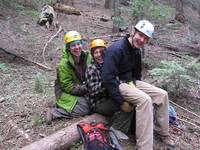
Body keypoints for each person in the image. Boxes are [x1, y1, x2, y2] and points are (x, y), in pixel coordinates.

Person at [102, 20, 175, 149]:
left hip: (131, 82)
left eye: (145, 38)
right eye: (140, 35)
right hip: (117, 83)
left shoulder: (136, 51)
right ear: (133, 32)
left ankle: (162, 133)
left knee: (162, 95)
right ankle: (144, 146)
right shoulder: (117, 49)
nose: (141, 40)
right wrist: (121, 101)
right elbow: (107, 78)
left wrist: (138, 88)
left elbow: (137, 74)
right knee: (145, 100)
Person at [46, 31, 91, 124]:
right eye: (73, 45)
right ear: (68, 48)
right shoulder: (64, 64)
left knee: (93, 103)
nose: (77, 47)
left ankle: (65, 106)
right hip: (65, 93)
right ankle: (55, 112)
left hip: (82, 89)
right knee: (86, 108)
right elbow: (67, 86)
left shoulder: (87, 56)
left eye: (78, 44)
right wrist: (86, 88)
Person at [85, 39, 120, 116]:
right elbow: (92, 90)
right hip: (98, 102)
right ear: (93, 55)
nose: (99, 55)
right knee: (121, 105)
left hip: (110, 97)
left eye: (101, 52)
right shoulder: (92, 68)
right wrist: (107, 83)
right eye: (96, 52)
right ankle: (116, 127)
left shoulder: (108, 65)